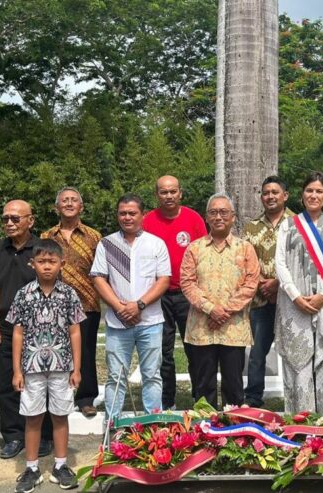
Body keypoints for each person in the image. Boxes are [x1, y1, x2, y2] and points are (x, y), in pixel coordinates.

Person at [7, 240, 84, 492]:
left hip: (62, 365)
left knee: (60, 415)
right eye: (42, 262)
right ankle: (31, 469)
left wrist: (77, 368)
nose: (47, 267)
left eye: (52, 262)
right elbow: (18, 333)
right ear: (33, 264)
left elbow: (74, 331)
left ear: (62, 264)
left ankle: (60, 466)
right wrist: (17, 370)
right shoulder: (24, 294)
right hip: (31, 367)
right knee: (33, 416)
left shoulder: (69, 294)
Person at [275, 171, 323, 414]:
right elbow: (280, 264)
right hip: (293, 304)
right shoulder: (288, 225)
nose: (314, 195)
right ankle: (300, 426)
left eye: (319, 191)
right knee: (298, 364)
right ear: (302, 195)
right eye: (309, 190)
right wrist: (295, 296)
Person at [91, 194, 171, 421]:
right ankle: (112, 428)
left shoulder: (156, 244)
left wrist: (139, 305)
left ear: (142, 215)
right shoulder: (107, 244)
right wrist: (119, 307)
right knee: (115, 377)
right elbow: (98, 278)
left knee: (152, 376)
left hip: (151, 322)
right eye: (122, 213)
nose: (127, 217)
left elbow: (163, 280)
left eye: (132, 213)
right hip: (118, 323)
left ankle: (152, 429)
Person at [0, 200, 53, 459]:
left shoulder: (42, 249)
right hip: (6, 326)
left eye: (15, 218)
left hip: (40, 327)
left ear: (30, 221)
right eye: (5, 219)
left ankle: (44, 435)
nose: (10, 223)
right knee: (6, 383)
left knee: (41, 382)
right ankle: (13, 436)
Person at [180, 193, 260, 408]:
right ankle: (205, 433)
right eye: (213, 212)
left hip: (232, 328)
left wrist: (223, 311)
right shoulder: (194, 249)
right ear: (206, 217)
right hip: (202, 328)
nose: (219, 217)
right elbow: (187, 282)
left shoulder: (245, 248)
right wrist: (210, 309)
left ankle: (233, 431)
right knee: (203, 384)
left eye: (224, 212)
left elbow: (251, 284)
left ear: (233, 217)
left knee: (233, 385)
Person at [142, 175, 207, 410]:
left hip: (187, 295)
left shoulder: (194, 219)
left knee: (195, 349)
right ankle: (166, 401)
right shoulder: (147, 221)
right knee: (163, 352)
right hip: (157, 297)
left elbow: (204, 254)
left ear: (180, 193)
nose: (168, 196)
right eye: (163, 192)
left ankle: (200, 399)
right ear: (156, 195)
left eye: (173, 191)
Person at [42, 187, 103, 418]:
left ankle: (86, 398)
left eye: (73, 200)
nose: (68, 203)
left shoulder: (94, 236)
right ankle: (56, 397)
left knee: (86, 352)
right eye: (64, 200)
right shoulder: (47, 236)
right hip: (53, 305)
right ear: (57, 207)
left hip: (87, 303)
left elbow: (103, 270)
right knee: (55, 350)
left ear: (81, 206)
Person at [242, 176, 294, 407]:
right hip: (260, 300)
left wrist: (278, 284)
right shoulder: (251, 227)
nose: (270, 196)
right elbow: (245, 261)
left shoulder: (298, 224)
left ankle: (297, 397)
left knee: (295, 352)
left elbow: (302, 262)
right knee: (257, 353)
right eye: (266, 193)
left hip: (292, 300)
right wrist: (264, 283)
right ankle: (253, 398)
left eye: (275, 192)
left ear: (285, 195)